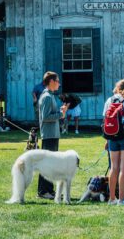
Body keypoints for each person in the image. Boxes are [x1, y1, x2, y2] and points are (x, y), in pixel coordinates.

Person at [103, 79, 124, 206]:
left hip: (111, 137)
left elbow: (106, 120)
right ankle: (121, 199)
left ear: (117, 88)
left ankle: (112, 198)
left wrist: (107, 140)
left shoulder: (109, 100)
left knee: (113, 167)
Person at [37, 71, 67, 199]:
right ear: (51, 82)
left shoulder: (50, 95)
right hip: (49, 135)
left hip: (52, 134)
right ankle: (44, 191)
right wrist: (61, 114)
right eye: (57, 81)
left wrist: (60, 111)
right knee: (47, 164)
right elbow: (46, 117)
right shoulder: (47, 97)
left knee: (50, 163)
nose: (59, 84)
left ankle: (49, 189)